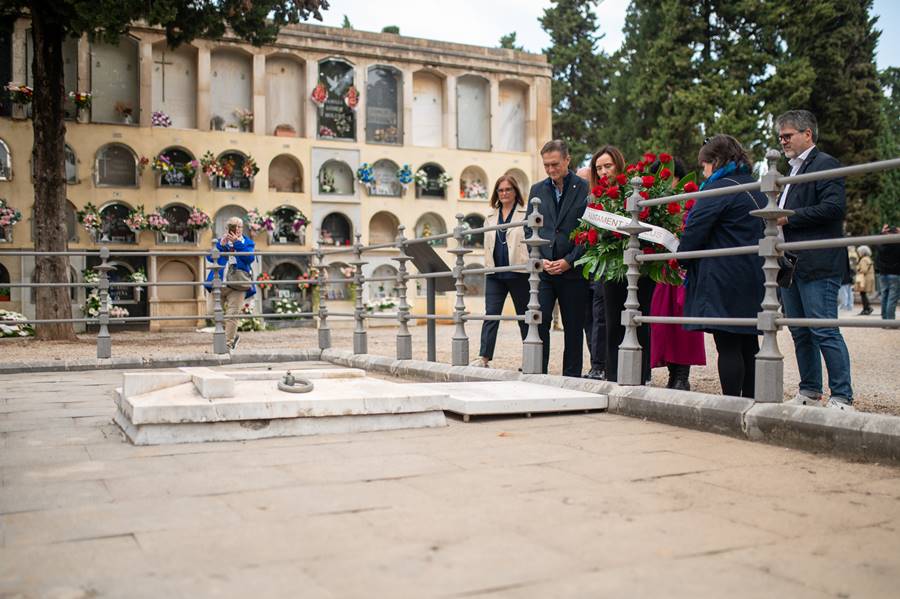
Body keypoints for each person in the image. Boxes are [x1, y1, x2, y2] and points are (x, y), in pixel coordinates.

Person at [776, 110, 854, 411]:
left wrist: (788, 218)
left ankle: (843, 396)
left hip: (818, 262)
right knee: (800, 331)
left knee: (823, 329)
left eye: (787, 135)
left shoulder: (825, 164)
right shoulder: (792, 171)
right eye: (781, 137)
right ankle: (809, 390)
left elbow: (834, 208)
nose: (783, 141)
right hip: (792, 263)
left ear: (807, 134)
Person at [679, 134, 765, 398]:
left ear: (715, 161)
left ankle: (731, 404)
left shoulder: (718, 188)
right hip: (754, 272)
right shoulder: (755, 186)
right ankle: (753, 401)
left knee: (727, 344)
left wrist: (681, 255)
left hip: (723, 275)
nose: (703, 171)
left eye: (704, 164)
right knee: (749, 343)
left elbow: (695, 230)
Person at [526, 139, 590, 377]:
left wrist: (569, 261)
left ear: (567, 160)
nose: (551, 170)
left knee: (573, 329)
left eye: (555, 164)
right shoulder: (537, 190)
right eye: (546, 165)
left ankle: (572, 378)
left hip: (572, 271)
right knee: (538, 322)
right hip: (544, 270)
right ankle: (537, 375)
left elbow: (588, 232)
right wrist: (540, 259)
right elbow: (529, 229)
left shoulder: (584, 188)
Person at [647, 157, 706, 390]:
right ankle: (672, 373)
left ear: (679, 179)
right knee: (662, 324)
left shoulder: (690, 204)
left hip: (682, 272)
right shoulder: (651, 207)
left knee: (683, 325)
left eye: (668, 178)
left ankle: (682, 376)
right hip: (660, 272)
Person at [472, 176, 530, 367]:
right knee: (491, 315)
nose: (504, 193)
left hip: (518, 271)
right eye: (500, 190)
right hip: (495, 272)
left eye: (508, 189)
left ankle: (530, 357)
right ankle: (484, 358)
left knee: (524, 316)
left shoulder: (525, 213)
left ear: (515, 191)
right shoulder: (490, 217)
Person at [582, 145, 627, 380]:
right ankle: (604, 368)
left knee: (630, 316)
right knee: (602, 317)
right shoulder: (592, 197)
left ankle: (638, 369)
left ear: (618, 165)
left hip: (627, 264)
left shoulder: (630, 192)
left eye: (607, 166)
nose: (603, 172)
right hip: (603, 264)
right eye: (598, 168)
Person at [204, 217, 256, 351]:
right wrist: (221, 245)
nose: (237, 229)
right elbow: (210, 257)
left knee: (232, 315)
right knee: (211, 312)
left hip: (238, 284)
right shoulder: (221, 242)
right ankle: (233, 335)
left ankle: (227, 344)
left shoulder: (248, 243)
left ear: (242, 229)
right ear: (227, 229)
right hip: (219, 283)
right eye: (234, 227)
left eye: (239, 227)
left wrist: (238, 244)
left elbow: (249, 258)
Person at [875, 225, 900, 320]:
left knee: (884, 296)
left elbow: (876, 242)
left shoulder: (882, 244)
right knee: (892, 298)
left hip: (883, 273)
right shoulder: (897, 243)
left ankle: (885, 320)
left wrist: (881, 232)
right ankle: (890, 321)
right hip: (895, 273)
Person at [854, 245, 875, 316]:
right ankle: (867, 308)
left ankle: (866, 308)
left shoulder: (863, 259)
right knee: (864, 294)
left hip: (864, 279)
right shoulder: (868, 258)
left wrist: (857, 268)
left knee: (863, 294)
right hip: (868, 278)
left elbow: (863, 270)